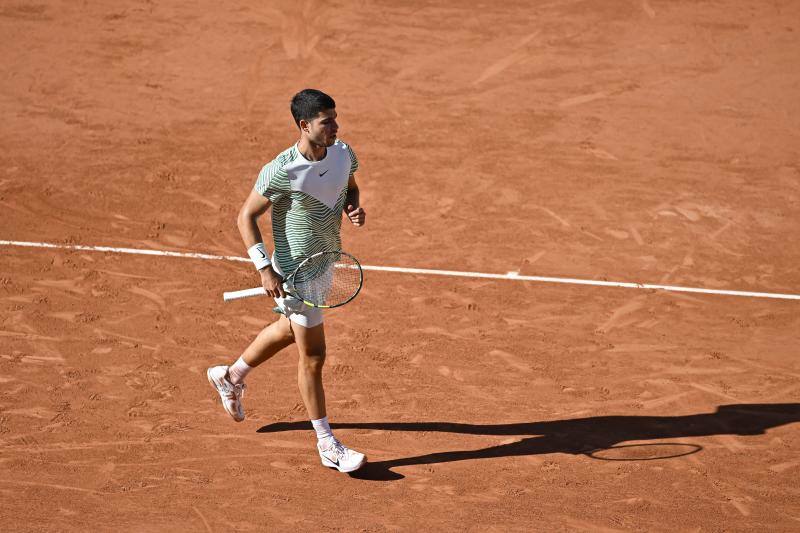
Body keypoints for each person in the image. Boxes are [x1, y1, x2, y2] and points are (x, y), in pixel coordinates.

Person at [207, 89, 367, 473]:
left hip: (325, 261)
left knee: (286, 330)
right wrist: (264, 268)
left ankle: (230, 376)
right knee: (313, 356)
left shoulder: (343, 152)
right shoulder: (282, 170)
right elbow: (246, 216)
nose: (335, 127)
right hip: (296, 272)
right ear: (304, 125)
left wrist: (352, 207)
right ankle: (327, 443)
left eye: (335, 119)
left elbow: (348, 186)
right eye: (326, 121)